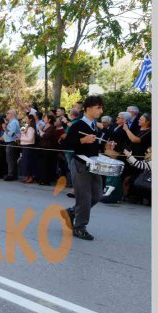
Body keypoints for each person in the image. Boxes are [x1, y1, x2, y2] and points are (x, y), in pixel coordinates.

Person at [61, 95, 106, 240]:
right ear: (88, 109)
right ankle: (80, 227)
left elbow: (94, 145)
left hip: (94, 164)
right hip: (80, 164)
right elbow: (66, 144)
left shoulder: (94, 125)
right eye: (98, 108)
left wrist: (106, 145)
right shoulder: (77, 125)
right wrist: (82, 140)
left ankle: (72, 212)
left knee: (97, 195)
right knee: (84, 198)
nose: (101, 111)